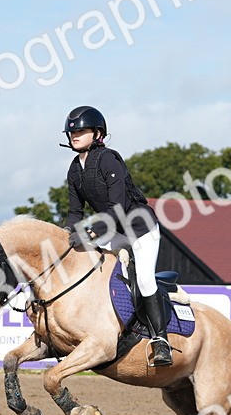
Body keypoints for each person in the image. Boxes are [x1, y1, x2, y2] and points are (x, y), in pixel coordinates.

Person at [60, 105, 171, 366]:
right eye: (72, 131)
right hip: (114, 229)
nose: (75, 134)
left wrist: (92, 231)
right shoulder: (75, 169)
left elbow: (117, 209)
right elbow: (75, 212)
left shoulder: (109, 159)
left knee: (144, 280)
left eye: (82, 130)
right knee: (82, 259)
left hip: (140, 228)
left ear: (97, 133)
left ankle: (161, 340)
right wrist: (64, 238)